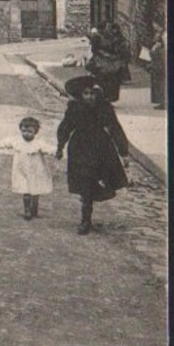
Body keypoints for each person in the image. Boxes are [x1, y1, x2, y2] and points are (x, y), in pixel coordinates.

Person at [56, 76, 130, 235]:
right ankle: (85, 219)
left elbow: (115, 128)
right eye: (86, 94)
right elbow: (65, 128)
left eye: (92, 93)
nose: (90, 97)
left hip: (101, 148)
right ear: (80, 95)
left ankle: (88, 213)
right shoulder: (74, 109)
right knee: (85, 181)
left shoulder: (104, 108)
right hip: (80, 149)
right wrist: (60, 146)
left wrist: (124, 152)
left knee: (98, 181)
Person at [0, 115, 56, 220]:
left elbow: (48, 148)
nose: (26, 134)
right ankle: (27, 210)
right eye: (24, 131)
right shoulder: (16, 140)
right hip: (21, 170)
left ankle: (34, 209)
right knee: (25, 190)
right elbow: (5, 142)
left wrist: (56, 152)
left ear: (35, 132)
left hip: (36, 170)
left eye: (29, 131)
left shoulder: (39, 143)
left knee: (36, 190)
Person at [85, 23, 127, 102]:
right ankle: (103, 97)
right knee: (102, 80)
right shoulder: (98, 38)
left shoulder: (112, 37)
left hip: (110, 63)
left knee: (110, 80)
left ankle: (108, 97)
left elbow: (116, 49)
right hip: (101, 62)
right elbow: (95, 50)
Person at [148, 23, 166, 109]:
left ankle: (163, 102)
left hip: (160, 65)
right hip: (156, 64)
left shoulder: (163, 36)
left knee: (161, 83)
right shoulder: (157, 42)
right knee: (157, 84)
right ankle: (161, 102)